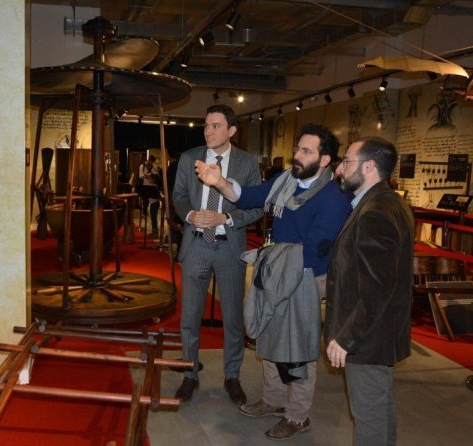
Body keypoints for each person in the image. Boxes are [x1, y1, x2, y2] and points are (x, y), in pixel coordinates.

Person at [194, 123, 351, 440]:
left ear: (324, 160)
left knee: (299, 348)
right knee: (268, 335)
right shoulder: (286, 180)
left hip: (306, 278)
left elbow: (313, 251)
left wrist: (268, 261)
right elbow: (249, 197)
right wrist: (219, 182)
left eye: (306, 151)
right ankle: (274, 399)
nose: (297, 155)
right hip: (277, 270)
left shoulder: (333, 199)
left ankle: (297, 416)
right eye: (297, 148)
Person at [171, 104, 263, 405]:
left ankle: (232, 376)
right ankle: (189, 373)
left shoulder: (247, 163)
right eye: (206, 125)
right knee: (189, 316)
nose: (208, 131)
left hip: (229, 247)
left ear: (231, 130)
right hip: (196, 245)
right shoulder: (190, 159)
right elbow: (178, 196)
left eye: (216, 126)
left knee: (233, 318)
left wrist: (227, 218)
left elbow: (258, 207)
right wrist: (190, 215)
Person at [325, 137, 413, 445]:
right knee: (379, 411)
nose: (341, 169)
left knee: (370, 418)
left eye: (347, 161)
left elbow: (377, 289)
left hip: (368, 339)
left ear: (370, 166)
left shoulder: (375, 212)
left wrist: (346, 338)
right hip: (379, 334)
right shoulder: (387, 203)